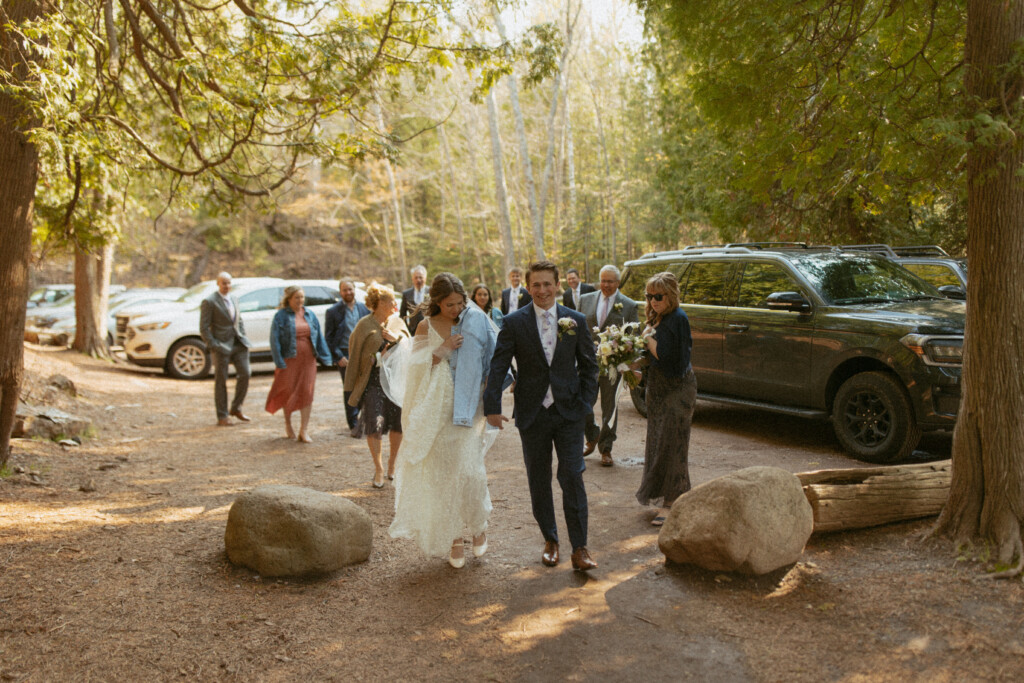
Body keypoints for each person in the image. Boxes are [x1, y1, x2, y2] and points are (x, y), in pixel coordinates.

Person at [484, 260, 600, 572]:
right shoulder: (514, 322)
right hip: (533, 413)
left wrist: (585, 403)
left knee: (572, 476)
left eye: (548, 284)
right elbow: (499, 365)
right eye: (536, 285)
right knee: (538, 478)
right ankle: (550, 539)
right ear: (528, 287)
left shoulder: (574, 320)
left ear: (557, 286)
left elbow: (590, 365)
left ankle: (580, 548)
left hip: (568, 413)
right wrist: (492, 406)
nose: (542, 290)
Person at [389, 273, 499, 568]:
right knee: (444, 476)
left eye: (459, 303)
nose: (455, 309)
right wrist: (442, 350)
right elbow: (415, 368)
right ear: (437, 302)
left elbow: (494, 352)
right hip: (437, 410)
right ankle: (453, 539)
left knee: (470, 471)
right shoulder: (425, 325)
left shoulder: (475, 318)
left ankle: (478, 528)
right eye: (449, 304)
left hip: (467, 407)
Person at [635, 271, 696, 527]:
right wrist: (631, 364)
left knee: (673, 444)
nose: (652, 301)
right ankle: (670, 496)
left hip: (676, 391)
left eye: (658, 296)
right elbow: (652, 357)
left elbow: (671, 359)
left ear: (670, 296)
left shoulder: (678, 319)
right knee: (659, 443)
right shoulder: (659, 317)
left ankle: (672, 502)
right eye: (649, 297)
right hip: (658, 392)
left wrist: (647, 339)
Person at [345, 283, 409, 488]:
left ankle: (392, 465)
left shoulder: (398, 322)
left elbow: (410, 345)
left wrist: (397, 339)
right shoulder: (364, 325)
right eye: (391, 301)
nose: (395, 304)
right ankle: (379, 468)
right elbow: (355, 354)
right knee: (375, 423)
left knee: (398, 424)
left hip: (395, 381)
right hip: (373, 382)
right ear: (380, 303)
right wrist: (374, 357)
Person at [579, 265, 639, 467]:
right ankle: (592, 433)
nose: (605, 285)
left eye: (610, 281)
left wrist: (626, 360)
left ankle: (605, 448)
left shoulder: (629, 306)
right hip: (587, 364)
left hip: (612, 365)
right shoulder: (585, 300)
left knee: (609, 407)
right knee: (583, 402)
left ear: (618, 282)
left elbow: (634, 337)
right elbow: (578, 329)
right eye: (603, 280)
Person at [265, 285, 332, 442]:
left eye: (302, 297)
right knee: (288, 391)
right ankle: (288, 424)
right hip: (289, 359)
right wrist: (279, 361)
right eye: (297, 297)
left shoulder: (309, 314)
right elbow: (274, 340)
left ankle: (304, 429)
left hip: (308, 359)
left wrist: (326, 357)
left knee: (307, 392)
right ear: (289, 299)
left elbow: (319, 337)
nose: (300, 300)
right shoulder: (280, 316)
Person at [199, 272, 252, 426]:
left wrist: (242, 334)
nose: (227, 286)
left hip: (238, 343)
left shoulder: (234, 298)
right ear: (217, 283)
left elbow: (238, 320)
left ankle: (236, 408)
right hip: (221, 346)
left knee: (246, 373)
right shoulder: (209, 301)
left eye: (229, 283)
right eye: (223, 283)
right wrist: (214, 345)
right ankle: (222, 416)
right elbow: (204, 328)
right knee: (221, 380)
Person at [325, 280, 370, 431]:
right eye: (344, 290)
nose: (348, 292)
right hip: (344, 354)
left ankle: (365, 419)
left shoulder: (364, 309)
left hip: (362, 353)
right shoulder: (333, 312)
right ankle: (353, 422)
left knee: (364, 386)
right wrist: (338, 356)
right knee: (349, 388)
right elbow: (329, 338)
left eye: (350, 289)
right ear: (340, 292)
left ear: (354, 289)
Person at [400, 265, 428, 333]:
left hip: (429, 331)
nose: (418, 280)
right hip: (413, 332)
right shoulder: (406, 294)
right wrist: (407, 329)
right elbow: (402, 315)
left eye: (421, 277)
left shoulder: (432, 292)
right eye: (416, 278)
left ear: (425, 278)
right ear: (412, 279)